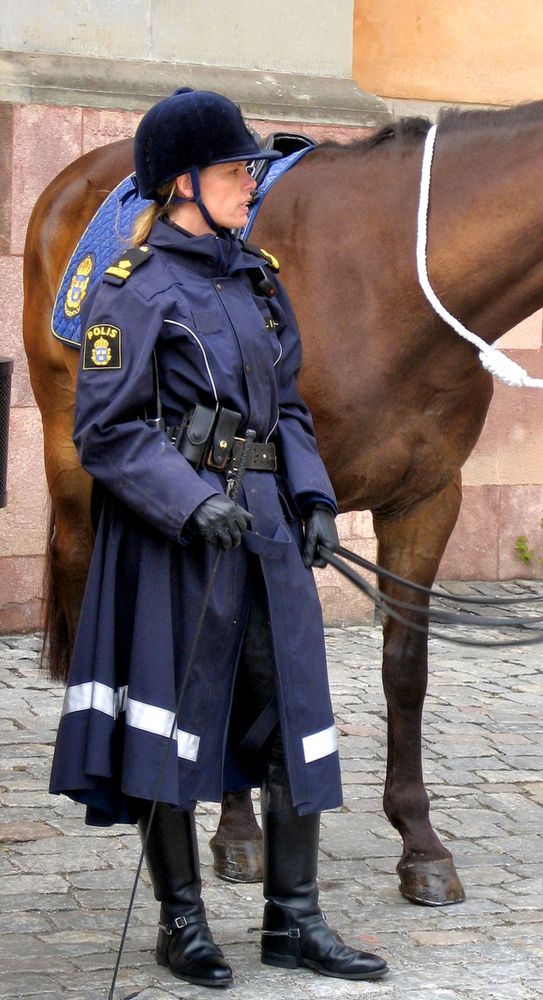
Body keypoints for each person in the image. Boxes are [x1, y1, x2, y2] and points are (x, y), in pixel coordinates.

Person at [49, 87, 388, 988]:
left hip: (270, 530)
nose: (251, 183)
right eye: (238, 169)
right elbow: (107, 433)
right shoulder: (134, 290)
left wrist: (313, 497)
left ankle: (295, 922)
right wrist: (189, 502)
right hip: (177, 538)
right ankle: (183, 923)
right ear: (185, 184)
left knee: (294, 719)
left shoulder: (256, 277)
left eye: (250, 169)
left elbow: (288, 405)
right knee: (171, 715)